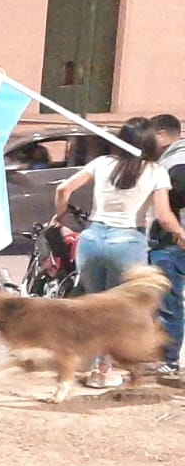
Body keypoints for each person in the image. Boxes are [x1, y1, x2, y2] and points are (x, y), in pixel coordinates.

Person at [53, 116, 176, 388]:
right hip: (127, 242)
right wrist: (180, 234)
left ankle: (91, 368)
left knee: (95, 307)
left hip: (92, 239)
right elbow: (164, 217)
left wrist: (60, 217)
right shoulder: (155, 172)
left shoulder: (101, 164)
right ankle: (106, 369)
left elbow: (63, 188)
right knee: (120, 311)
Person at [147, 113, 185, 375]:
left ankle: (168, 359)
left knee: (167, 301)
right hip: (172, 240)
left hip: (171, 241)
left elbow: (173, 204)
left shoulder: (176, 163)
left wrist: (176, 230)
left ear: (161, 135)